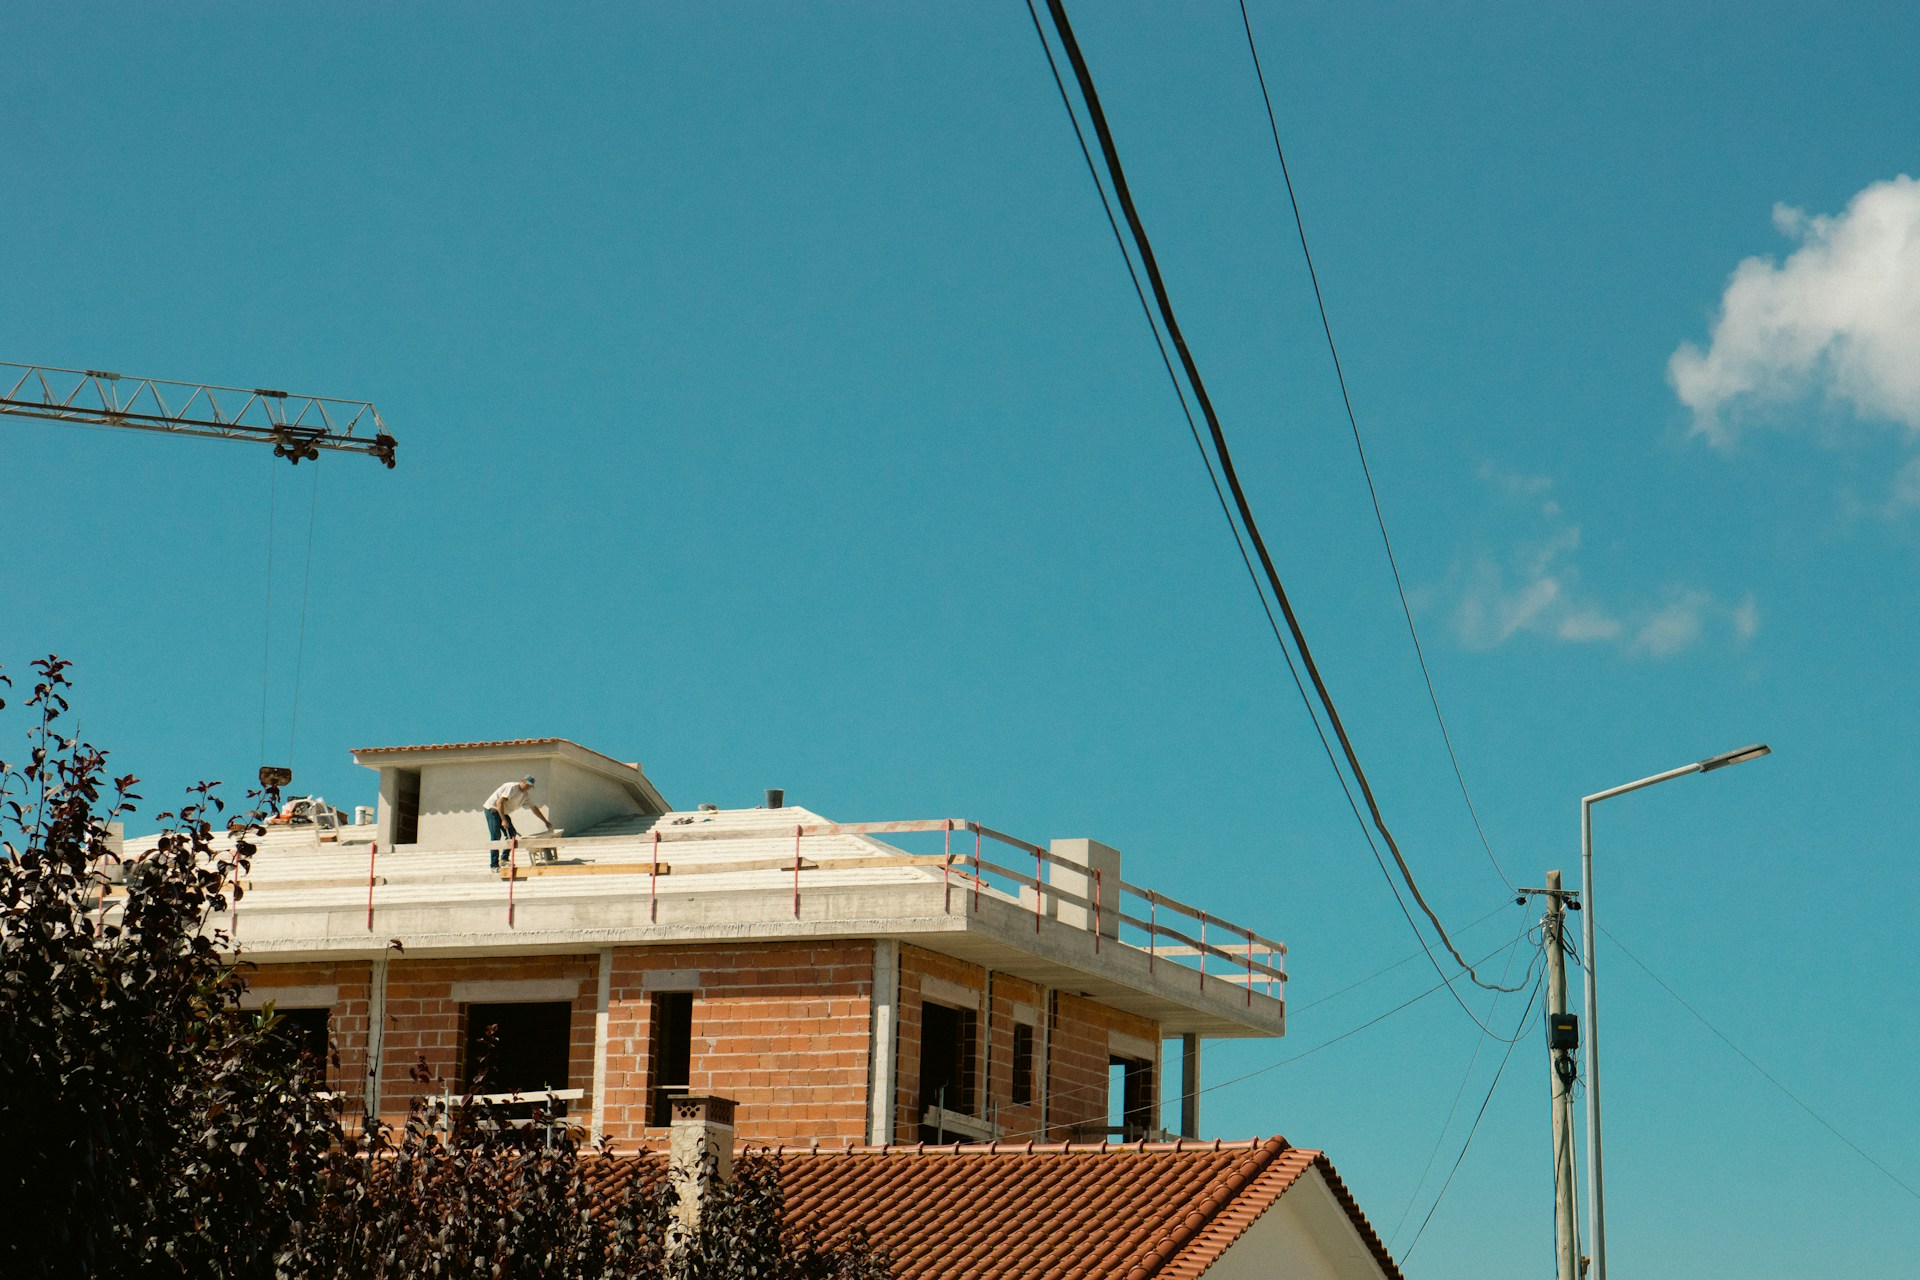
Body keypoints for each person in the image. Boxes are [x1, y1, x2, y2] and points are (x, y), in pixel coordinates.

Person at [483, 776, 550, 870]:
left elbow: (534, 808)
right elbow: (499, 802)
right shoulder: (512, 787)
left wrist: (545, 821)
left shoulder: (525, 795)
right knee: (496, 836)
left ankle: (504, 859)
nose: (528, 788)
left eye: (530, 787)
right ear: (522, 782)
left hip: (503, 812)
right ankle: (494, 865)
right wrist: (503, 820)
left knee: (512, 834)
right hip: (492, 810)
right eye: (527, 785)